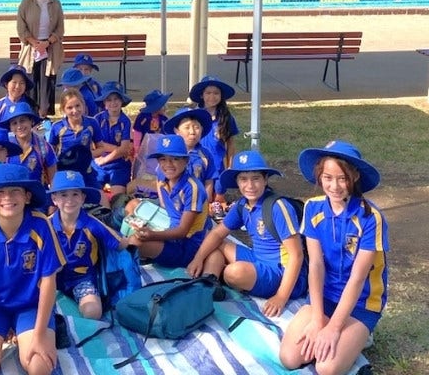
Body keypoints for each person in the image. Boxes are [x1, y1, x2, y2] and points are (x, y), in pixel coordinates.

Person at [280, 141, 389, 375]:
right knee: (289, 359)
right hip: (326, 297)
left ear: (355, 177)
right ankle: (326, 322)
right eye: (327, 177)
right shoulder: (312, 208)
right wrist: (318, 318)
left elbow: (358, 279)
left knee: (326, 368)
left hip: (361, 303)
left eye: (343, 178)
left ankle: (362, 333)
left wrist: (334, 328)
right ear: (319, 176)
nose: (335, 186)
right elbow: (316, 265)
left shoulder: (371, 218)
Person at [0, 163, 65, 375]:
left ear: (27, 197)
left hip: (31, 307)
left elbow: (48, 281)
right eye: (0, 192)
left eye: (15, 190)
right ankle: (7, 334)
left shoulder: (41, 225)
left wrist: (40, 334)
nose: (8, 197)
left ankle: (29, 333)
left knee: (38, 367)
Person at [187, 150, 307, 317]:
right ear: (237, 181)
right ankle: (210, 283)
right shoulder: (242, 205)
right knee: (215, 244)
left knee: (233, 272)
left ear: (265, 180)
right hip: (257, 259)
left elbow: (296, 255)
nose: (250, 185)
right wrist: (197, 259)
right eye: (243, 179)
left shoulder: (278, 207)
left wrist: (281, 297)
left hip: (280, 271)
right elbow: (217, 234)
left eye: (256, 178)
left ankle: (222, 274)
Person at [48, 170, 129, 320]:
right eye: (63, 194)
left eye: (75, 194)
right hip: (51, 278)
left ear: (83, 198)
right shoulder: (45, 226)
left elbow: (119, 243)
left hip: (82, 279)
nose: (70, 200)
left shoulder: (92, 224)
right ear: (54, 199)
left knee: (93, 312)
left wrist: (132, 238)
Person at [127, 135, 211, 268]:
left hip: (187, 244)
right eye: (163, 159)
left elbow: (182, 231)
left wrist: (153, 235)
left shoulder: (193, 188)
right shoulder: (162, 175)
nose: (168, 164)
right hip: (169, 227)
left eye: (175, 159)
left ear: (186, 161)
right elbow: (166, 206)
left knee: (134, 243)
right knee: (132, 207)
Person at [16, 0, 65, 119]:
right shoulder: (26, 2)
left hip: (49, 48)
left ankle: (44, 115)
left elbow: (60, 29)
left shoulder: (56, 4)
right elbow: (21, 26)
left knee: (47, 83)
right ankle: (30, 114)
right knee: (30, 82)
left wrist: (47, 42)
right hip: (31, 48)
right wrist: (33, 42)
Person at [48, 88, 115, 192]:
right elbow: (49, 154)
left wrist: (86, 156)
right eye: (69, 108)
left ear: (83, 105)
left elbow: (101, 148)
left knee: (100, 199)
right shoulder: (57, 127)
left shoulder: (91, 123)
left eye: (78, 106)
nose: (75, 111)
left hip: (86, 171)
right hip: (64, 171)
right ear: (63, 109)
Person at [189, 75, 239, 207]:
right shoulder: (194, 115)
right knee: (200, 199)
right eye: (208, 93)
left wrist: (230, 166)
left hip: (218, 166)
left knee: (217, 200)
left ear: (221, 96)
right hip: (198, 163)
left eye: (216, 93)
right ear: (201, 95)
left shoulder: (226, 117)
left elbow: (231, 144)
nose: (212, 96)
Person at [163, 106, 218, 204]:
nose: (192, 132)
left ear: (202, 129)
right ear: (177, 131)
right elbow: (161, 183)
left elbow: (209, 181)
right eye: (187, 127)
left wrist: (205, 204)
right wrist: (166, 205)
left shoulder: (205, 154)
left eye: (196, 127)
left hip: (197, 205)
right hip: (173, 205)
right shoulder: (168, 153)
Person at [0, 101, 57, 187]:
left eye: (22, 121)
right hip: (12, 195)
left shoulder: (45, 148)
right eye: (14, 123)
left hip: (37, 197)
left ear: (31, 121)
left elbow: (54, 181)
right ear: (10, 127)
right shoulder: (5, 146)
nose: (19, 126)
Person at [93, 81, 133, 197]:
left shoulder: (125, 121)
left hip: (118, 164)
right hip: (98, 163)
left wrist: (105, 159)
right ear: (104, 102)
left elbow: (125, 149)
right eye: (109, 100)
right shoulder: (97, 119)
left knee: (118, 199)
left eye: (116, 99)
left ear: (122, 101)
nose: (113, 103)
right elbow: (94, 144)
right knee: (95, 196)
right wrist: (117, 148)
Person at [132, 89, 172, 156]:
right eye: (163, 105)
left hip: (160, 149)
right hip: (145, 148)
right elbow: (137, 133)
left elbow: (168, 133)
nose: (165, 107)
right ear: (156, 107)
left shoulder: (163, 118)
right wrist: (137, 149)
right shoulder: (142, 117)